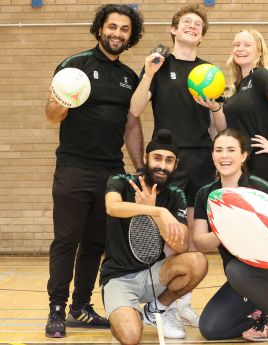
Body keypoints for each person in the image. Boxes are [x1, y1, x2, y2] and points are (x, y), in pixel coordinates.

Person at [44, 4, 145, 338]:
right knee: (66, 241)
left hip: (110, 173)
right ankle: (56, 308)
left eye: (124, 29)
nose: (117, 33)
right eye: (112, 26)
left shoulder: (130, 77)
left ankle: (80, 307)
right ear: (100, 28)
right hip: (73, 169)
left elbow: (131, 126)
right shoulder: (75, 65)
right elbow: (52, 114)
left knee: (95, 244)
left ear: (131, 36)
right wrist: (62, 99)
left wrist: (140, 167)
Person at [130, 4, 215, 327]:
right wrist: (149, 73)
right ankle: (164, 306)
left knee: (195, 236)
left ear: (202, 36)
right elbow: (135, 109)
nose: (193, 27)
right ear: (174, 30)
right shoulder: (157, 65)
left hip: (202, 160)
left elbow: (214, 125)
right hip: (169, 161)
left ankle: (183, 304)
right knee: (171, 236)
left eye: (198, 25)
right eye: (187, 23)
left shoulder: (209, 72)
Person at [100, 129, 208, 343]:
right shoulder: (121, 181)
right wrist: (157, 211)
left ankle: (156, 309)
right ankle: (126, 316)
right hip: (118, 277)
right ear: (145, 158)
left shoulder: (175, 194)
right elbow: (112, 207)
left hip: (156, 274)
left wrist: (157, 213)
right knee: (130, 337)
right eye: (157, 158)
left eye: (169, 160)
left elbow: (181, 246)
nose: (162, 165)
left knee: (197, 261)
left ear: (175, 165)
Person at [193, 128, 268, 342]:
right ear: (212, 155)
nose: (224, 156)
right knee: (211, 330)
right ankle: (261, 312)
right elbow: (199, 242)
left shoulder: (261, 188)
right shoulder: (206, 194)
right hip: (240, 278)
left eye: (231, 150)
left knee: (236, 269)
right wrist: (224, 229)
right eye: (219, 150)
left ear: (243, 156)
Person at [194, 28, 268, 187]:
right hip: (237, 162)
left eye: (247, 45)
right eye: (236, 45)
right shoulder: (237, 86)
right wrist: (215, 107)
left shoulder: (260, 75)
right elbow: (225, 129)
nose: (240, 49)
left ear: (259, 51)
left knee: (258, 211)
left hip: (259, 162)